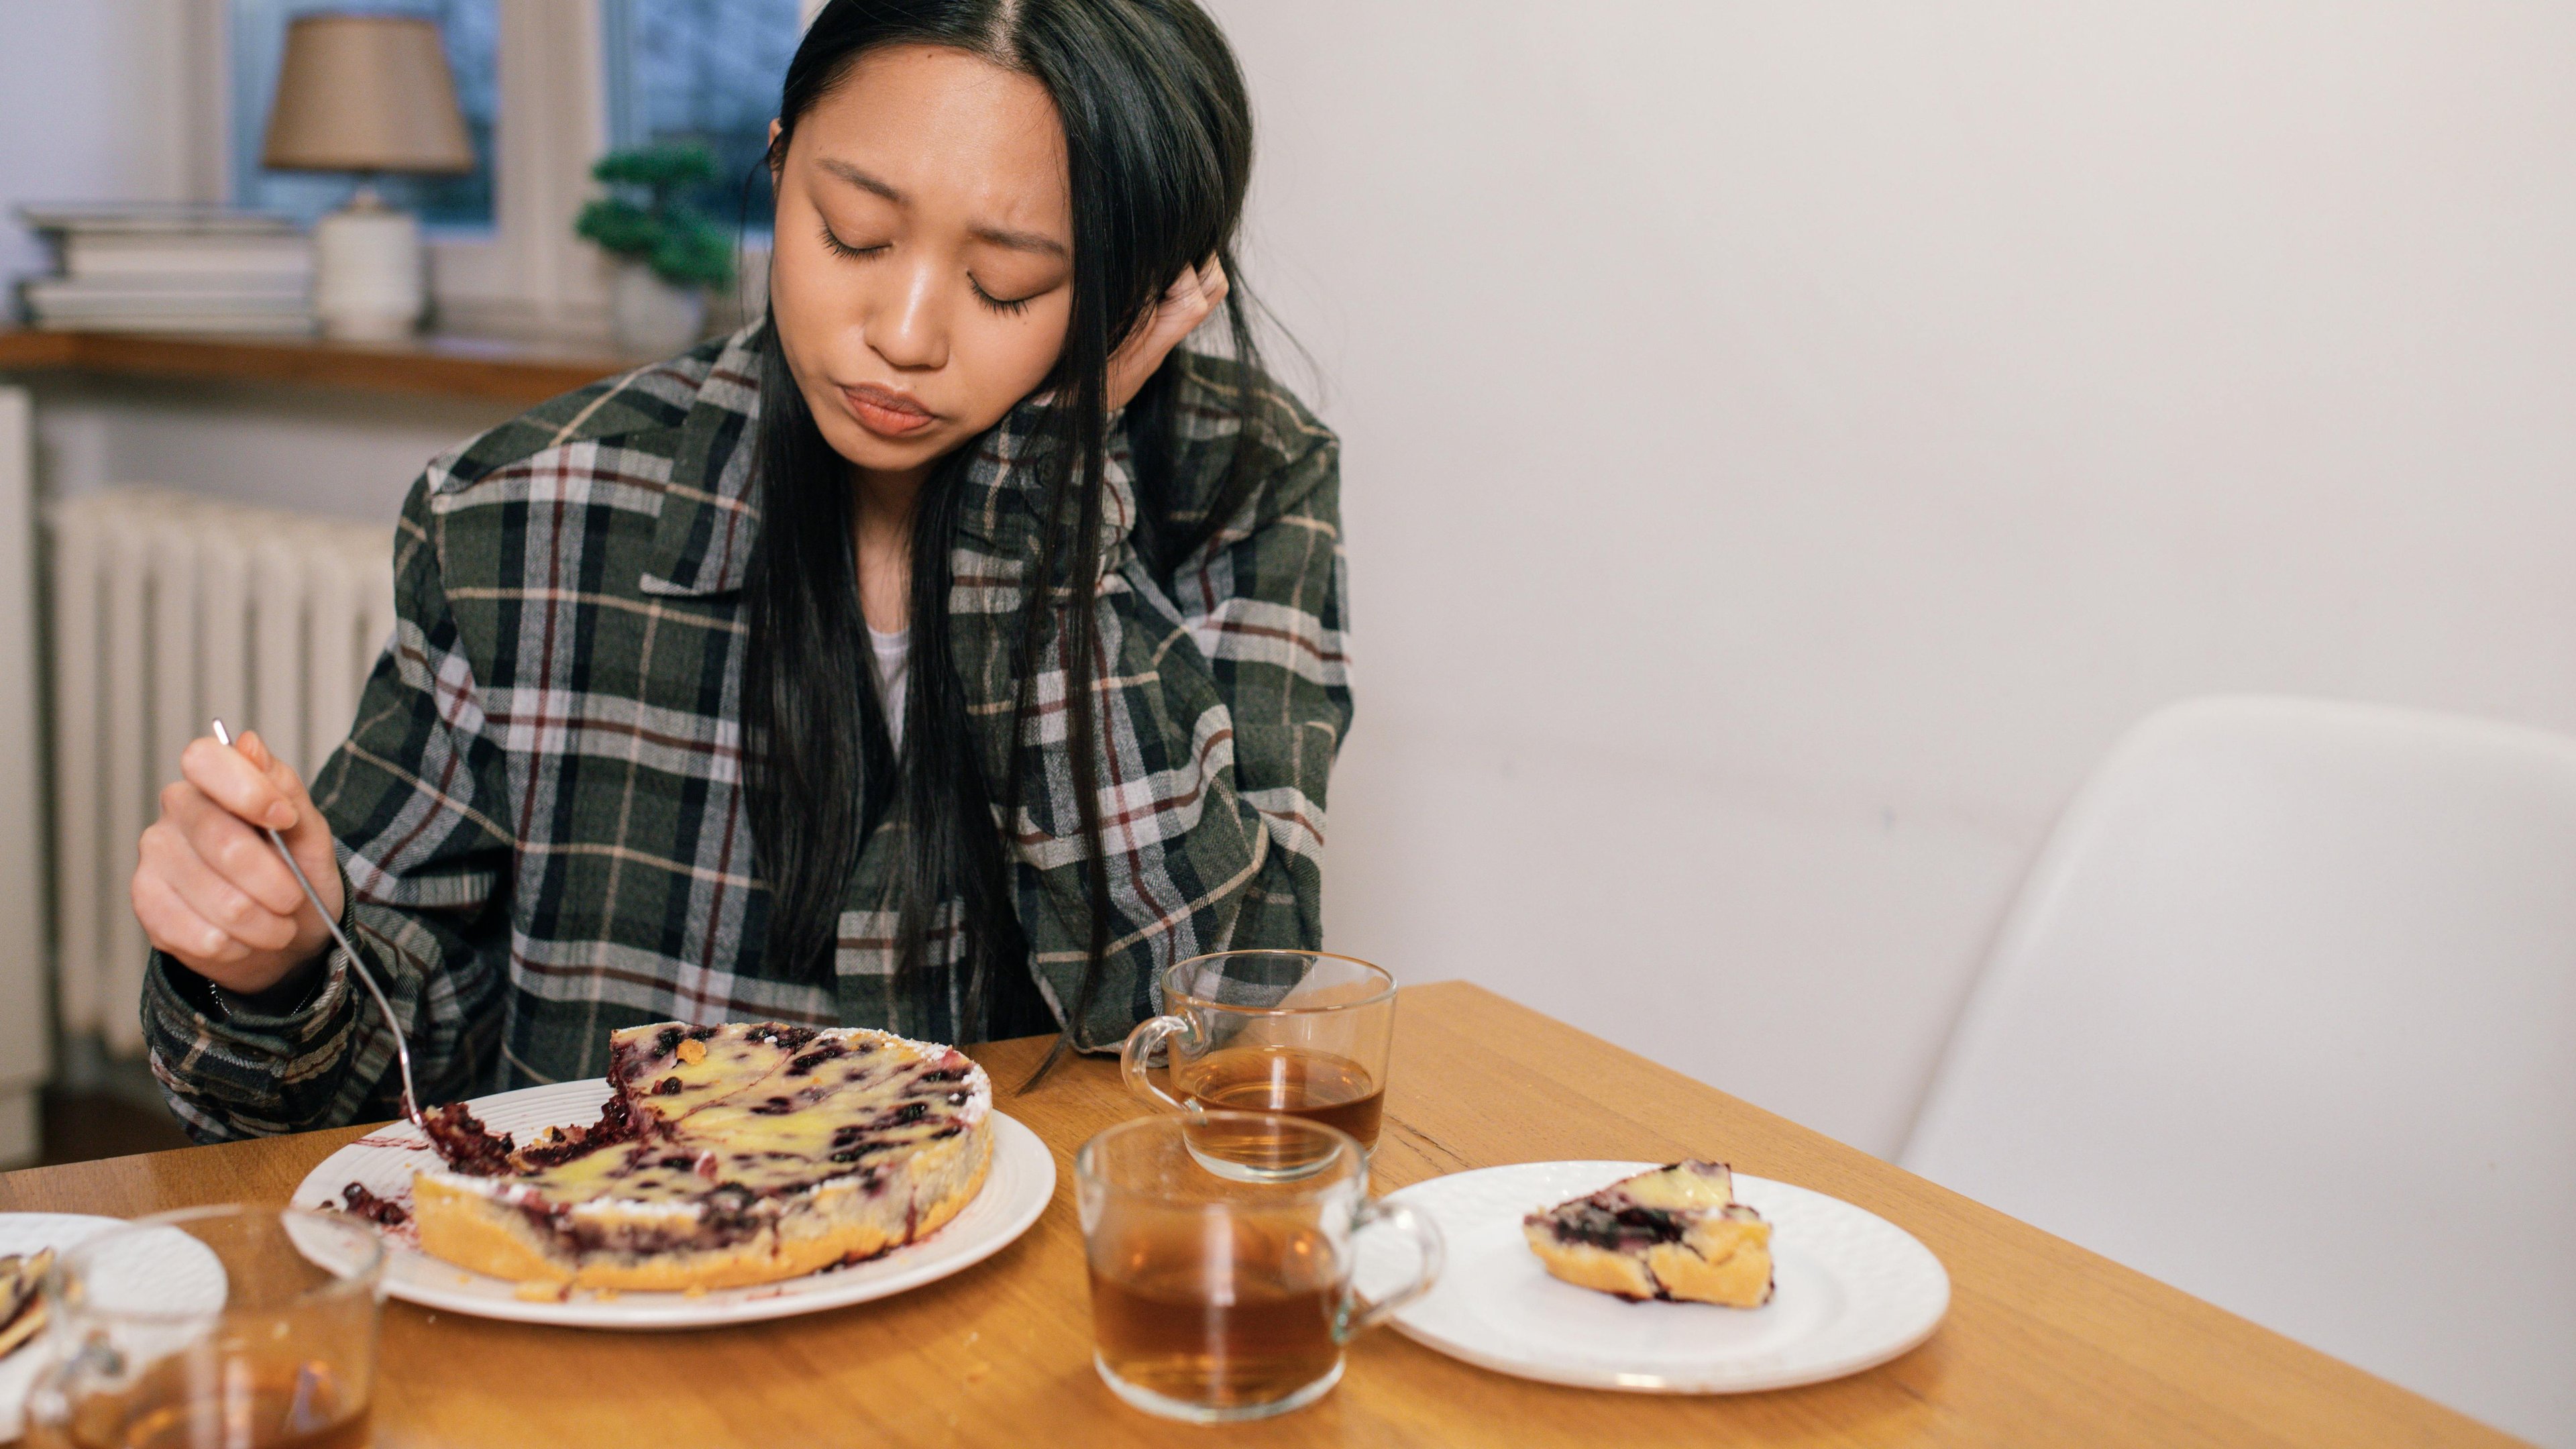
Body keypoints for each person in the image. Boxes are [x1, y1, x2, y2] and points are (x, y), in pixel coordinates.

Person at [128, 0, 1349, 1140]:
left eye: (1007, 283)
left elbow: (1228, 1045)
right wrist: (276, 962)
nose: (905, 335)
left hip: (1033, 1326)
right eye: (853, 233)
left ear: (1145, 298)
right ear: (776, 163)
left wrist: (1043, 518)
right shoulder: (526, 513)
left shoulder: (1240, 482)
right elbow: (375, 1073)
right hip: (619, 1300)